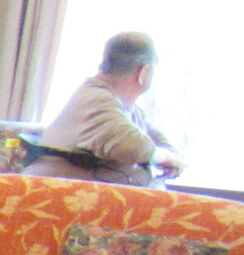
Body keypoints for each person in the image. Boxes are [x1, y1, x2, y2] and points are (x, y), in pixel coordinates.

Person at [25, 31, 181, 186]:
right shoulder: (96, 98)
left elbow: (161, 143)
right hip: (62, 198)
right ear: (144, 72)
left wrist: (172, 158)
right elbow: (132, 145)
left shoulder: (127, 108)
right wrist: (165, 157)